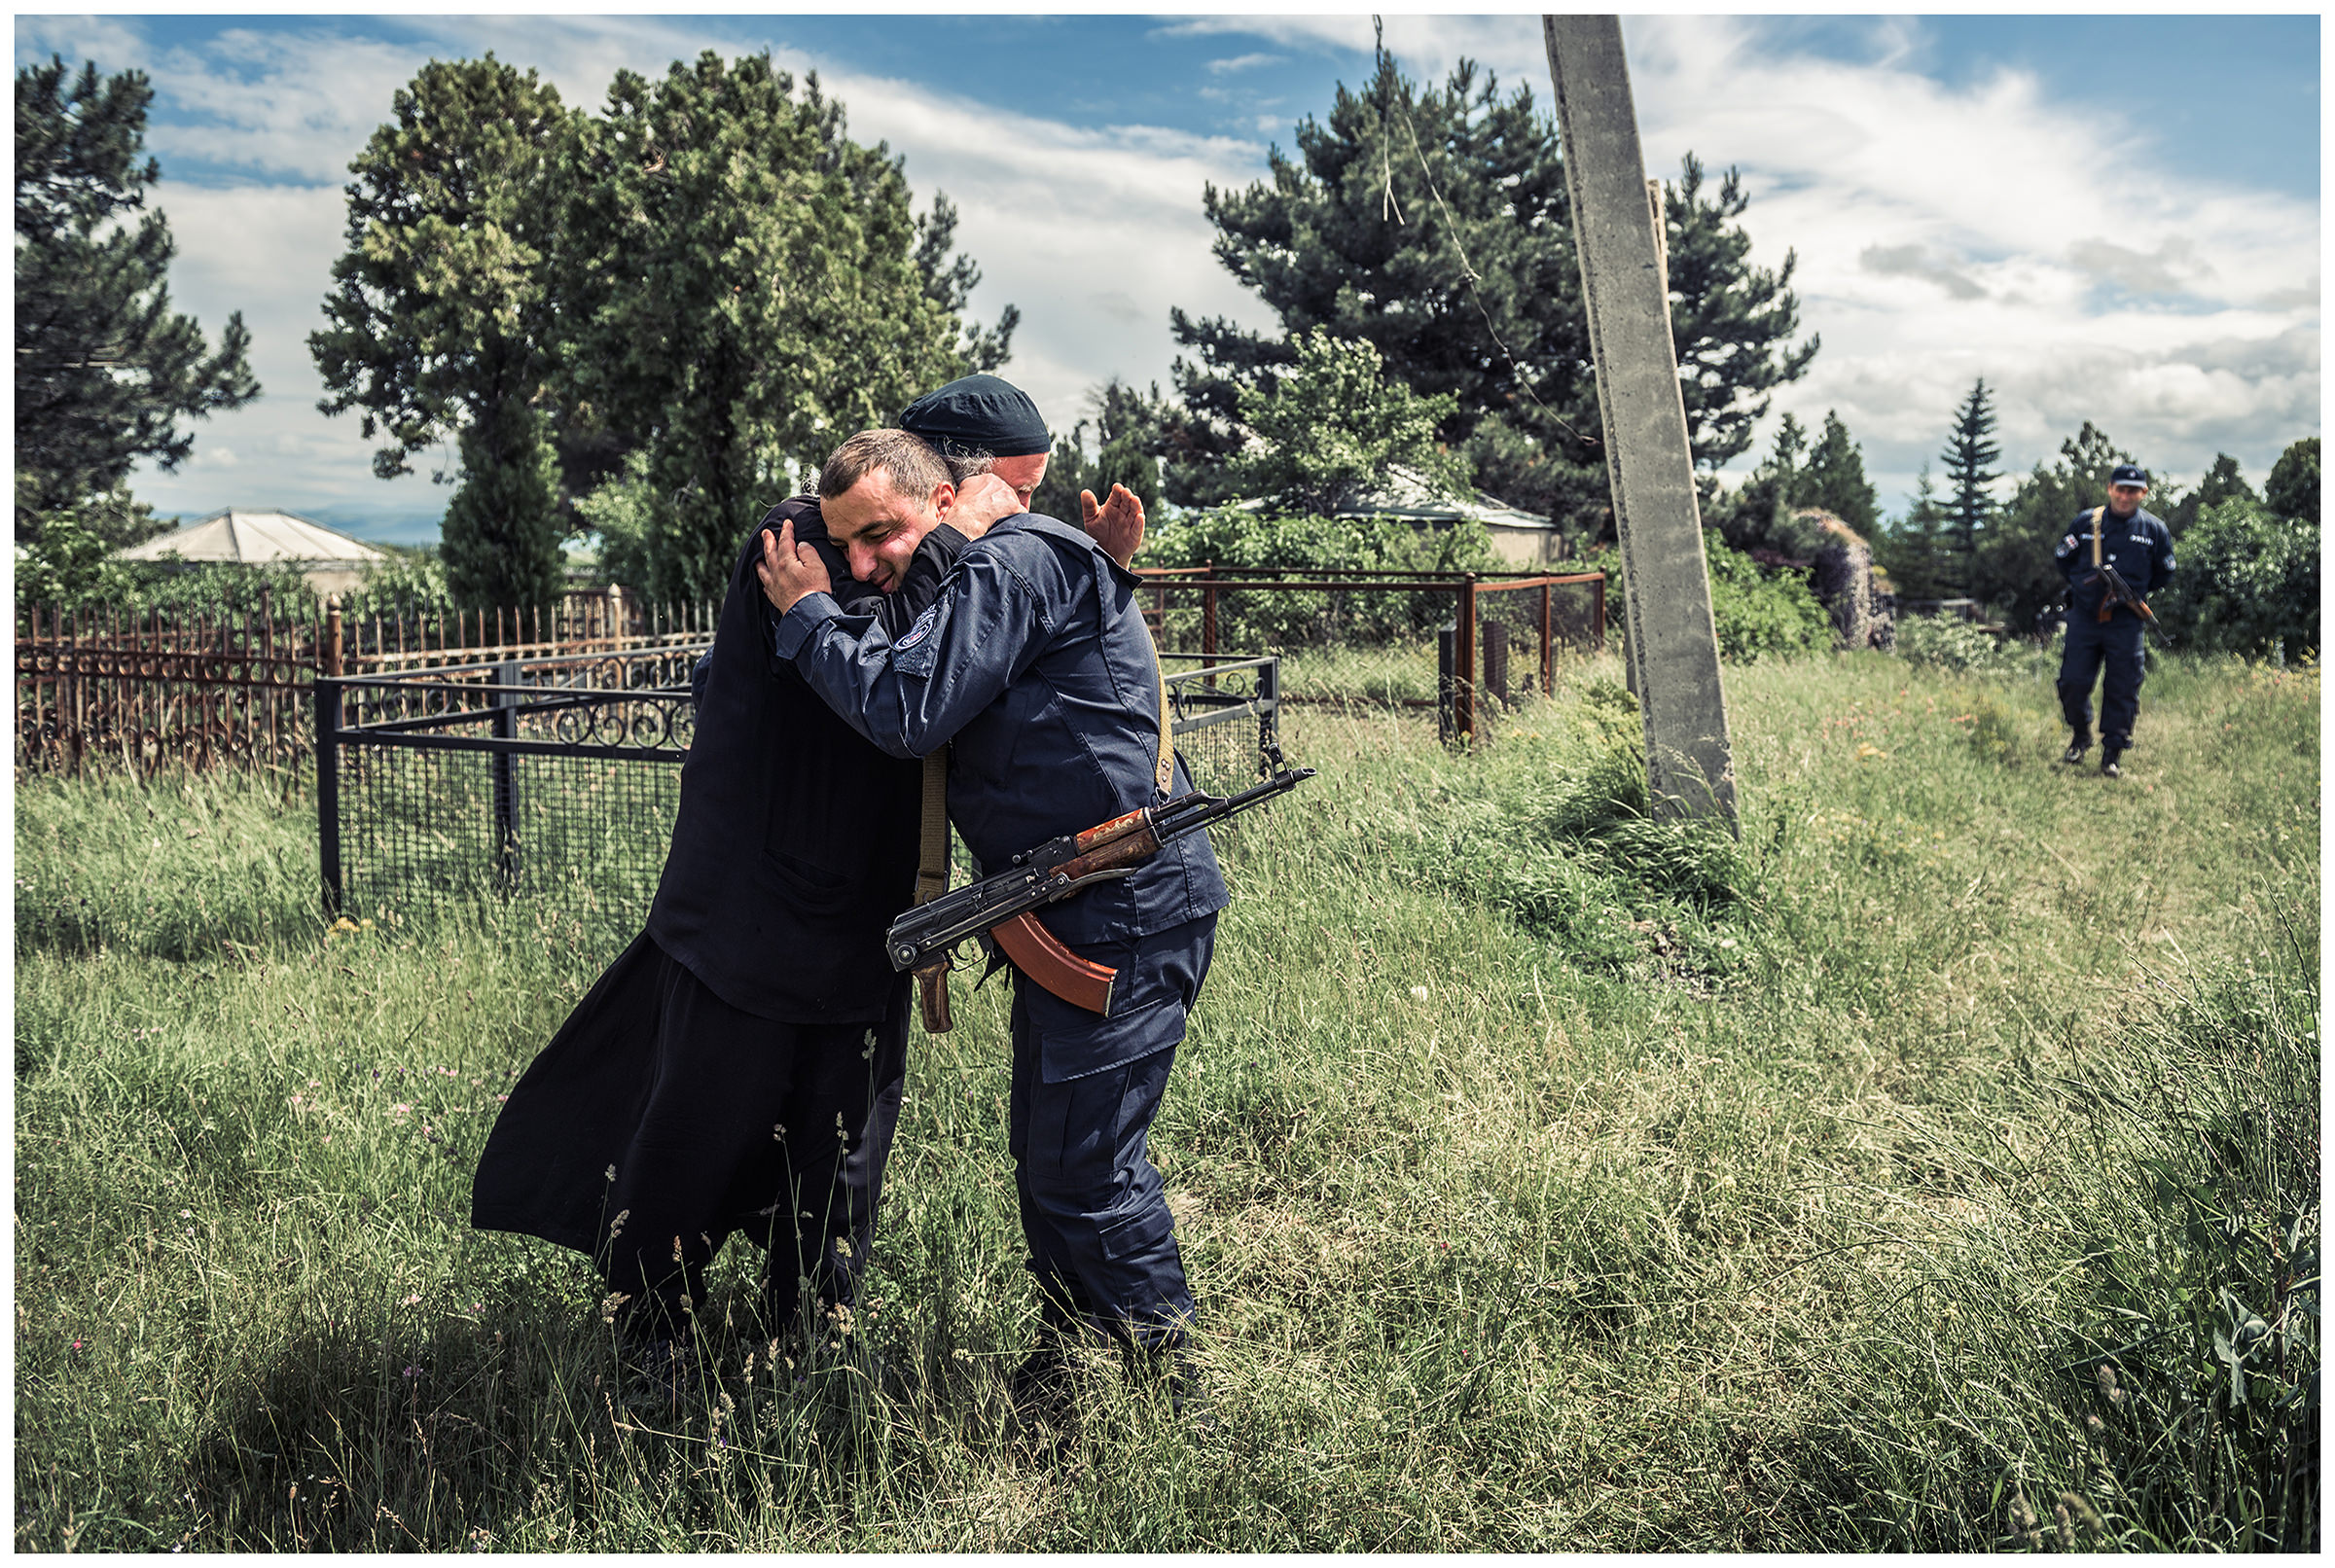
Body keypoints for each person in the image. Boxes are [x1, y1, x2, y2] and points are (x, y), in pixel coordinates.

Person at [469, 374, 1138, 1383]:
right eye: (1011, 491)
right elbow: (901, 655)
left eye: (1034, 501)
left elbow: (970, 657)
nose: (871, 558)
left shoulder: (950, 558)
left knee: (841, 1155)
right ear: (948, 481)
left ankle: (811, 1337)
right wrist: (993, 550)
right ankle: (652, 1331)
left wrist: (1076, 572)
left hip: (867, 922)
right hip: (748, 916)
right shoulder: (800, 542)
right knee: (693, 1133)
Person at [757, 427, 1226, 1419]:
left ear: (948, 497)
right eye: (845, 551)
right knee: (1052, 1157)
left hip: (1124, 909)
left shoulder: (1011, 563)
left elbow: (907, 706)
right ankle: (1076, 1355)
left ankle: (1170, 1393)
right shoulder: (991, 573)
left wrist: (805, 614)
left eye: (882, 533)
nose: (862, 565)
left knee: (1087, 1170)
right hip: (1077, 910)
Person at [2054, 462, 2175, 778]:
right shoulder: (2086, 522)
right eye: (2120, 488)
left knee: (2123, 686)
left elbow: (2165, 572)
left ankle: (2112, 753)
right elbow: (2062, 559)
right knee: (2072, 682)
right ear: (2110, 488)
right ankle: (2081, 734)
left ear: (2144, 493)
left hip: (2126, 622)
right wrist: (2084, 588)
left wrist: (2133, 596)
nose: (2125, 495)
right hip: (2085, 619)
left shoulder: (2154, 530)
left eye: (2133, 490)